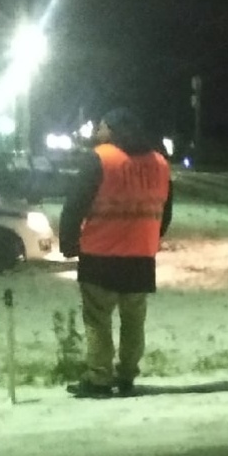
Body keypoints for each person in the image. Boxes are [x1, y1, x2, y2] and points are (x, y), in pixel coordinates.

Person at [60, 107, 173, 398]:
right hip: (140, 259)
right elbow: (165, 210)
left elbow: (75, 206)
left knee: (98, 320)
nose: (97, 132)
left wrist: (69, 243)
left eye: (100, 126)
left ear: (111, 130)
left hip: (100, 256)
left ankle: (99, 379)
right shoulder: (159, 163)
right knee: (134, 321)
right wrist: (150, 238)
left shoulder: (100, 159)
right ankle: (126, 377)